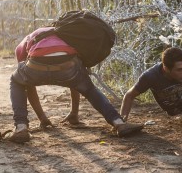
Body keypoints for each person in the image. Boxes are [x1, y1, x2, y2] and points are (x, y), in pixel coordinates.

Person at [9, 26, 144, 143]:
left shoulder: (25, 42)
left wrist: (42, 118)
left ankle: (21, 127)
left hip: (37, 65)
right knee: (89, 89)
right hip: (67, 66)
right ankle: (119, 123)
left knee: (17, 81)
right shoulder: (66, 35)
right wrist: (74, 113)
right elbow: (75, 84)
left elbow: (29, 86)